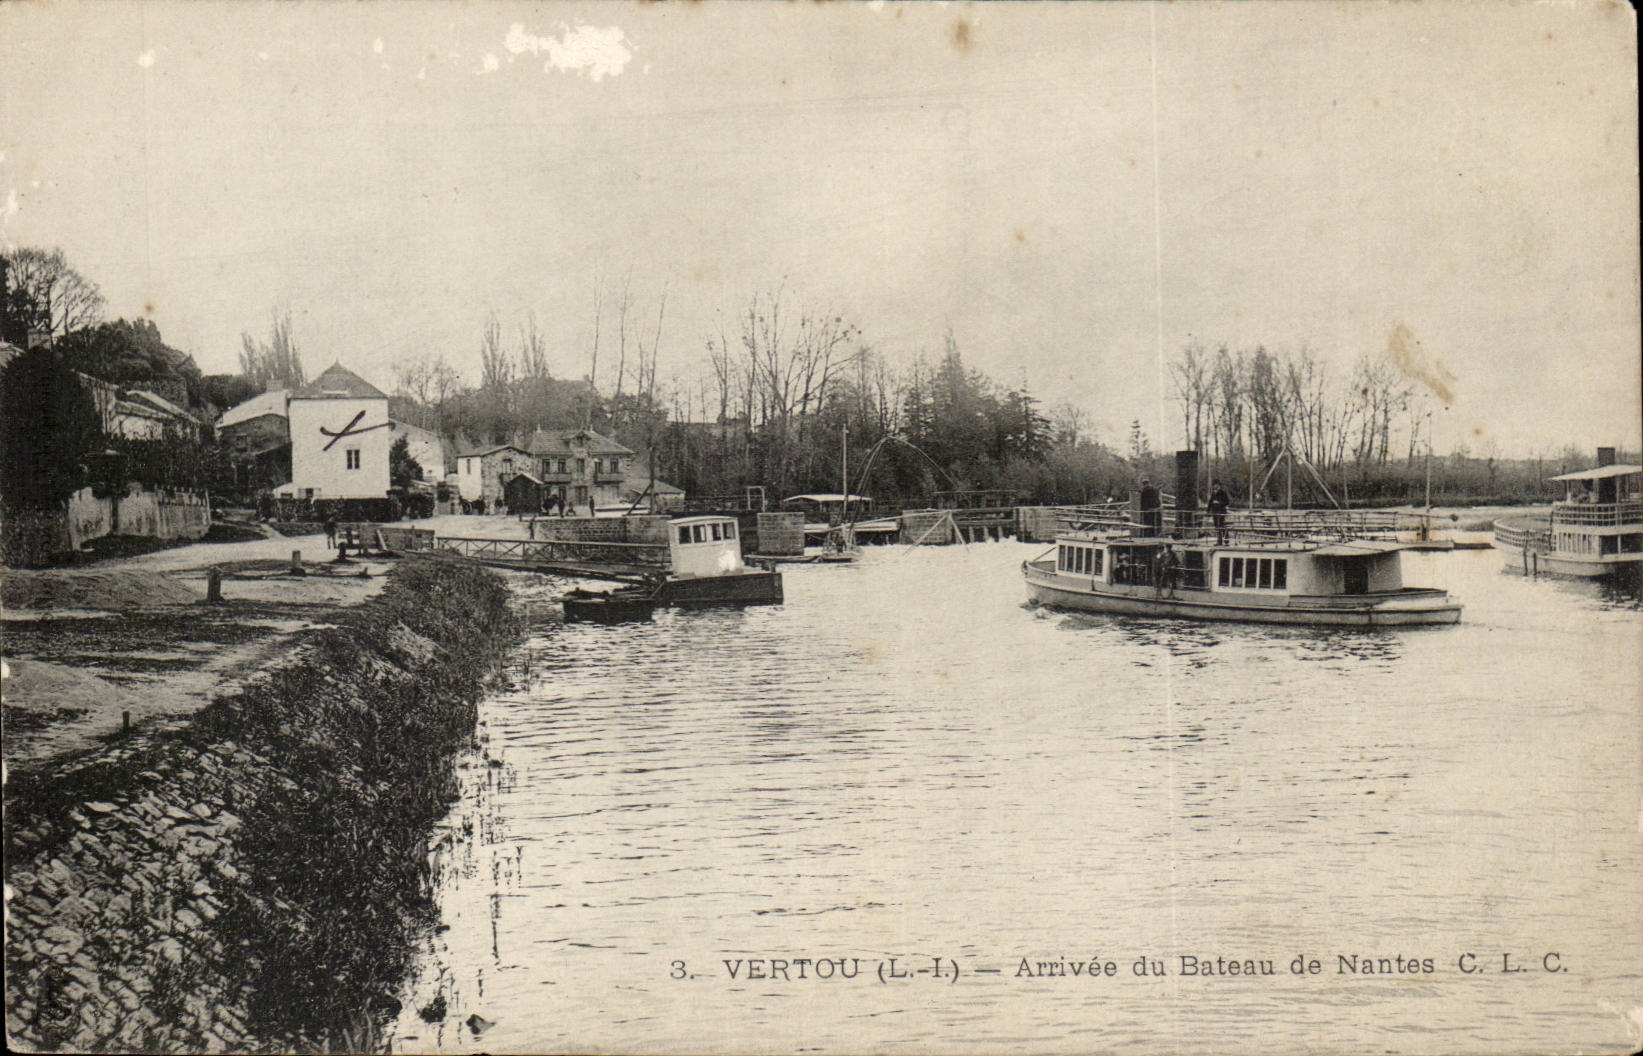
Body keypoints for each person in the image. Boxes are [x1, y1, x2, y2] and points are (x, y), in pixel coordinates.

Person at [1208, 480, 1230, 545]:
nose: (1216, 486)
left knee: (1221, 525)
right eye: (1215, 485)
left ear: (1219, 486)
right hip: (1215, 511)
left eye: (1217, 485)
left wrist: (1219, 503)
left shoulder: (1223, 493)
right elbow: (1210, 502)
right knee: (1217, 526)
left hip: (1221, 511)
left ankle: (1225, 539)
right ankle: (1220, 540)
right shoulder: (1213, 493)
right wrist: (1208, 511)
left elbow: (1227, 502)